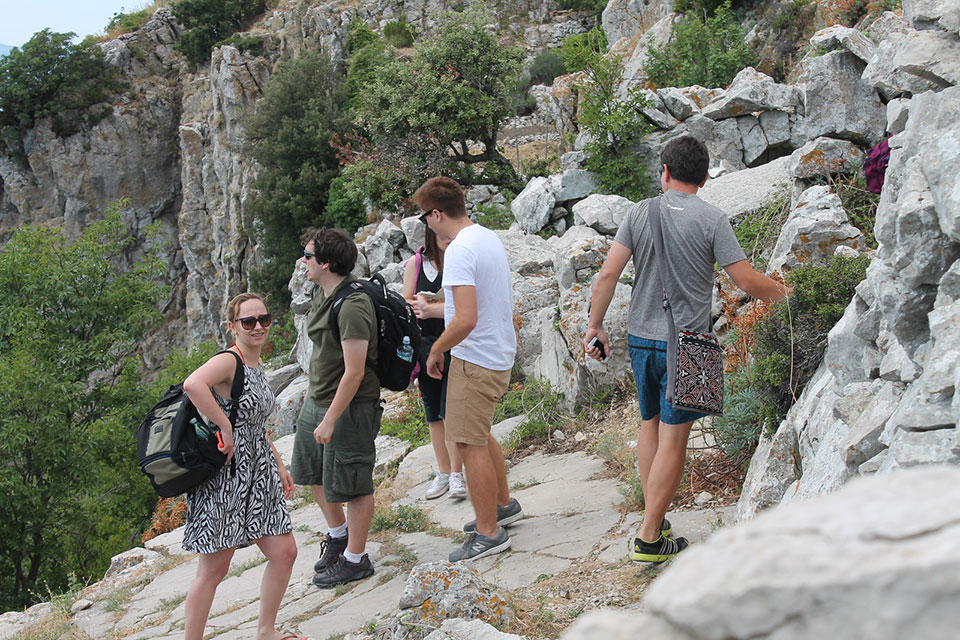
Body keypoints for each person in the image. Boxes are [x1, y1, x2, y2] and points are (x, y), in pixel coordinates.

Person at [584, 136, 790, 562]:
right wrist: (788, 292)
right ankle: (649, 538)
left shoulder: (639, 212)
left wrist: (595, 325)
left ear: (664, 171)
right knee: (675, 439)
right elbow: (747, 282)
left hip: (641, 338)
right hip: (689, 344)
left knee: (649, 424)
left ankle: (653, 519)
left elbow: (607, 275)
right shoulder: (713, 219)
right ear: (705, 177)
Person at [416, 176, 523, 562]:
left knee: (466, 441)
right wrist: (435, 309)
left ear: (437, 213)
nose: (426, 224)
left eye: (425, 216)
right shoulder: (486, 237)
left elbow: (465, 320)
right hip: (497, 352)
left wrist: (435, 350)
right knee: (478, 433)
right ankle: (501, 505)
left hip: (474, 357)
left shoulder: (459, 251)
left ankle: (488, 533)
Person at [182, 293, 299, 640]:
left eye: (263, 319)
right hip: (226, 477)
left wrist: (278, 464)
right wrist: (224, 425)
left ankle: (266, 631)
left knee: (285, 551)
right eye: (248, 321)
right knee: (214, 570)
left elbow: (255, 423)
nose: (258, 326)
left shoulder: (256, 364)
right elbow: (193, 384)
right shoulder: (229, 362)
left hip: (258, 473)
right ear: (233, 327)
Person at [290, 227, 381, 587]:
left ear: (326, 263)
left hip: (351, 407)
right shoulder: (322, 292)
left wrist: (330, 419)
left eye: (309, 256)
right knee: (312, 472)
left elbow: (355, 372)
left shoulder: (353, 305)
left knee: (355, 483)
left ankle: (356, 560)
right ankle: (339, 536)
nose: (303, 261)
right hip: (319, 398)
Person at [402, 226, 467, 501]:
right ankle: (443, 472)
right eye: (444, 237)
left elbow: (463, 306)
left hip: (455, 341)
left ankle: (456, 473)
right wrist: (420, 305)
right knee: (432, 411)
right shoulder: (415, 264)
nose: (449, 241)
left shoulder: (458, 260)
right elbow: (405, 302)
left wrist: (433, 308)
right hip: (424, 344)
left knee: (449, 409)